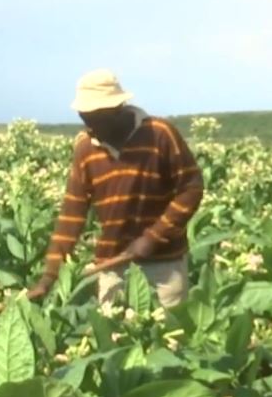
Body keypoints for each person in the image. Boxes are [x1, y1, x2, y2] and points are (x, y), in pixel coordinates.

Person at [26, 69, 204, 308]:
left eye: (95, 117)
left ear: (116, 109)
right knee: (114, 341)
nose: (88, 123)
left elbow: (191, 188)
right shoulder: (85, 149)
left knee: (168, 338)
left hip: (164, 267)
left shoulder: (160, 134)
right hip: (112, 268)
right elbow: (71, 215)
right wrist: (49, 277)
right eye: (84, 115)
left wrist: (152, 238)